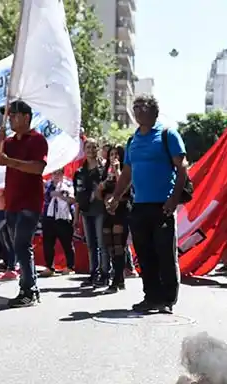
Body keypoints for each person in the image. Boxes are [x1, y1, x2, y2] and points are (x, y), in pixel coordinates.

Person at [107, 94, 188, 313]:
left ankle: (168, 299)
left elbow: (182, 170)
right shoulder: (132, 140)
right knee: (144, 253)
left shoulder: (167, 135)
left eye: (142, 106)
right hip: (139, 205)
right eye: (135, 107)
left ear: (154, 110)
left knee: (164, 252)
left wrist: (173, 199)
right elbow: (126, 173)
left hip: (163, 205)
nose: (137, 111)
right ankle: (151, 296)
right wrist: (116, 196)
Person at [0, 100, 48, 307]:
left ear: (26, 117)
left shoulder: (38, 140)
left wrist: (10, 161)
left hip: (29, 202)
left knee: (22, 245)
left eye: (13, 115)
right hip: (12, 202)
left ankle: (28, 290)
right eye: (8, 116)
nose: (9, 119)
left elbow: (38, 168)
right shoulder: (10, 142)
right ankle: (31, 288)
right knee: (20, 246)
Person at [74, 139, 108, 286]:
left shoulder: (104, 169)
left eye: (94, 147)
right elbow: (77, 196)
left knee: (102, 244)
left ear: (98, 149)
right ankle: (93, 273)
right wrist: (76, 216)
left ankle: (105, 273)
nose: (91, 150)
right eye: (88, 147)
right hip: (86, 211)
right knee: (90, 245)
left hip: (100, 210)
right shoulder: (80, 171)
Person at [97, 144, 129, 292]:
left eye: (117, 154)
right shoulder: (105, 173)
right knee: (109, 246)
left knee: (118, 247)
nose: (113, 157)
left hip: (121, 211)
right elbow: (98, 195)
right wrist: (101, 188)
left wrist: (117, 171)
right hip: (107, 212)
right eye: (111, 155)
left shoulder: (125, 171)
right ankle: (118, 278)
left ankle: (117, 281)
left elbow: (126, 188)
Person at [39, 169, 76, 277]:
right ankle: (49, 267)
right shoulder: (48, 184)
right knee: (48, 243)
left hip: (64, 217)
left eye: (59, 173)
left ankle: (70, 266)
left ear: (62, 173)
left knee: (67, 243)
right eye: (54, 173)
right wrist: (50, 193)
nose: (56, 175)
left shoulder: (68, 184)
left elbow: (72, 199)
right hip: (49, 217)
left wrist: (60, 196)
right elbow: (44, 197)